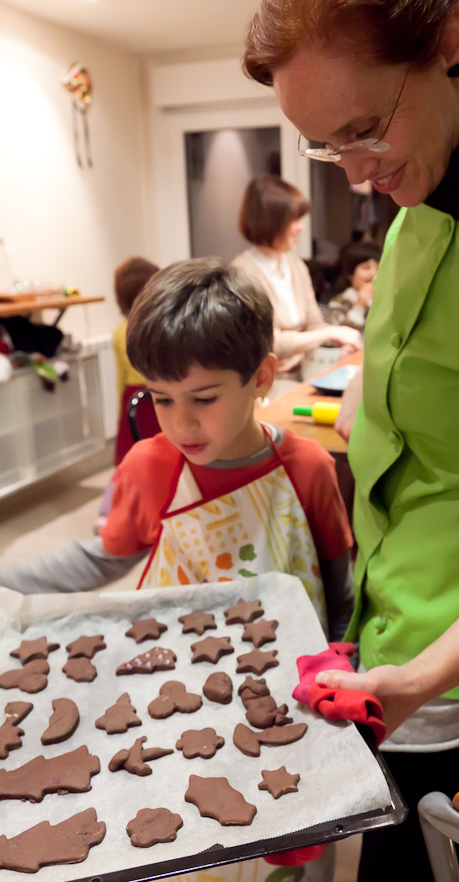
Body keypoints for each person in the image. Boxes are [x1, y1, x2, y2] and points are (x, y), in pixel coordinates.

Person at [242, 0, 459, 880]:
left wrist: (421, 676)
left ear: (450, 45)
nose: (358, 174)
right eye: (330, 147)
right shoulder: (426, 181)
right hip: (400, 604)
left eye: (364, 130)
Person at [1, 258, 354, 643]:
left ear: (261, 378)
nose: (181, 425)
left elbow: (340, 597)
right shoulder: (149, 467)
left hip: (292, 665)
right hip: (177, 664)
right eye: (162, 399)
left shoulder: (308, 468)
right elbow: (101, 559)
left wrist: (345, 662)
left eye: (203, 399)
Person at [232, 175, 362, 382]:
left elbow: (314, 325)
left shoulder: (296, 266)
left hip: (304, 374)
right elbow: (265, 341)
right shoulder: (242, 273)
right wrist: (330, 334)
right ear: (271, 222)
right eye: (294, 220)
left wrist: (333, 345)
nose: (301, 227)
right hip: (266, 382)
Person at [93, 256, 160, 534]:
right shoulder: (156, 327)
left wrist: (122, 408)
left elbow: (120, 375)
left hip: (131, 399)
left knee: (129, 462)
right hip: (155, 398)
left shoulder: (119, 331)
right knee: (158, 458)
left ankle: (108, 513)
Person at [325, 240, 381, 330]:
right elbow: (341, 333)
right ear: (350, 274)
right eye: (366, 268)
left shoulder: (386, 300)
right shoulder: (339, 302)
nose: (374, 273)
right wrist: (359, 305)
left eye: (378, 268)